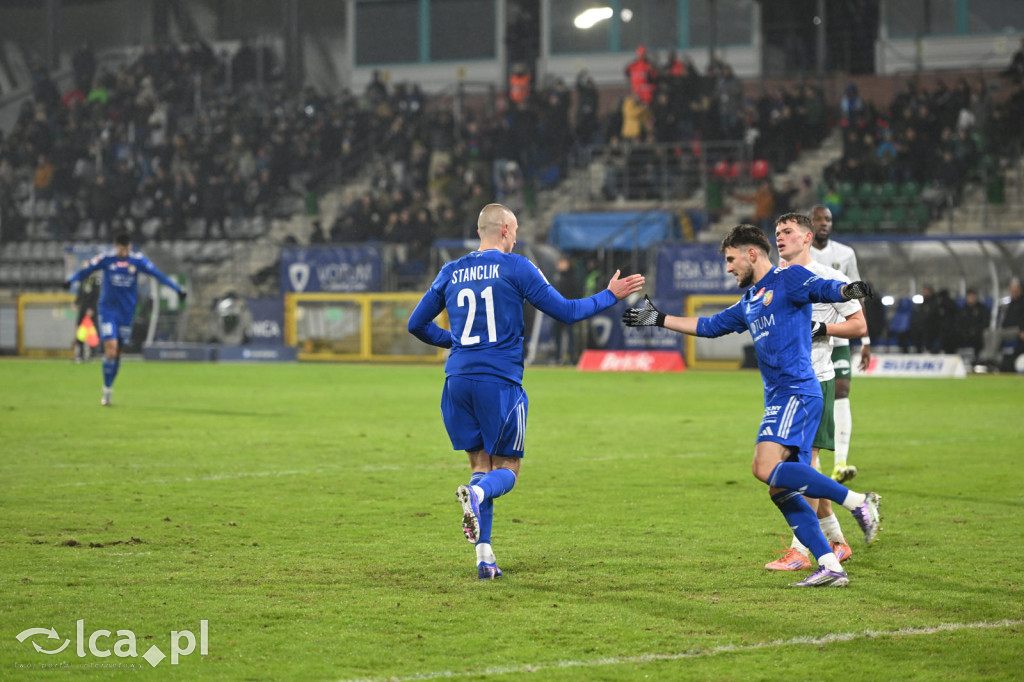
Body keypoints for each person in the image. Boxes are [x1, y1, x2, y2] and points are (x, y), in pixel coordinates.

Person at [622, 222, 881, 587]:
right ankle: (831, 566)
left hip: (798, 393)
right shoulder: (750, 301)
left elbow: (825, 289)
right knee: (780, 489)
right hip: (777, 399)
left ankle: (858, 501)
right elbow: (709, 325)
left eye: (731, 259)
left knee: (763, 468)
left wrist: (848, 289)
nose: (728, 268)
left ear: (752, 254)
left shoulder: (788, 280)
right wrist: (659, 318)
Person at [407, 204, 644, 580]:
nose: (516, 238)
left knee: (479, 467)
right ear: (503, 230)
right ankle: (480, 497)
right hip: (498, 381)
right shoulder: (516, 266)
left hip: (457, 382)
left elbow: (415, 323)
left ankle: (484, 558)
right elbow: (566, 311)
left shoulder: (450, 271)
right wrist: (609, 295)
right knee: (508, 470)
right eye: (514, 230)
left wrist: (453, 342)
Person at [766, 212, 868, 572]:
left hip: (815, 382)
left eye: (788, 232)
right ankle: (837, 542)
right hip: (782, 386)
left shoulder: (831, 278)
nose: (780, 237)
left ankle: (802, 550)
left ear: (807, 238)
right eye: (777, 232)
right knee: (796, 468)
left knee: (796, 469)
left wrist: (822, 327)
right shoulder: (774, 280)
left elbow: (858, 324)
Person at [64, 233, 186, 406]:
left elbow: (158, 275)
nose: (124, 252)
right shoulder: (107, 258)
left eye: (127, 248)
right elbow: (88, 269)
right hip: (108, 310)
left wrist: (177, 289)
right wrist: (71, 280)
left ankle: (109, 385)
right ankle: (106, 390)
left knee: (119, 354)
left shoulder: (137, 261)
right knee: (111, 350)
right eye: (122, 249)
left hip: (127, 313)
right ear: (116, 246)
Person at [809, 204, 870, 483]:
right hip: (811, 338)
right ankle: (813, 461)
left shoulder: (845, 254)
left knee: (842, 390)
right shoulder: (797, 253)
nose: (824, 223)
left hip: (838, 334)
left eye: (828, 219)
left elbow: (857, 298)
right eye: (818, 219)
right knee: (815, 396)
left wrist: (865, 340)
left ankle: (841, 463)